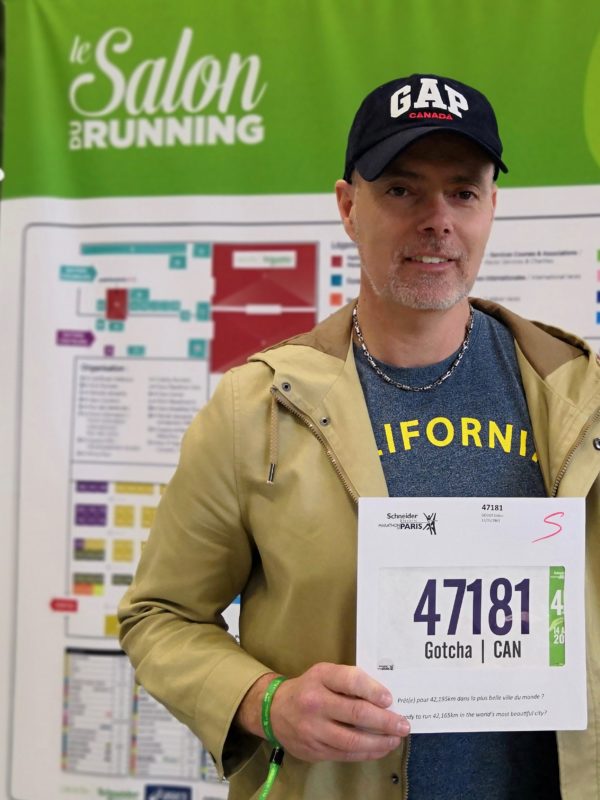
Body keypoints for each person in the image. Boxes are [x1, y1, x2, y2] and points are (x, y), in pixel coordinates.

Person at [118, 73, 600, 799]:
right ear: (348, 206)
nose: (437, 220)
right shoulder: (258, 408)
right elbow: (160, 616)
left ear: (492, 207)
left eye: (463, 192)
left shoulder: (579, 397)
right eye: (402, 190)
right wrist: (266, 702)